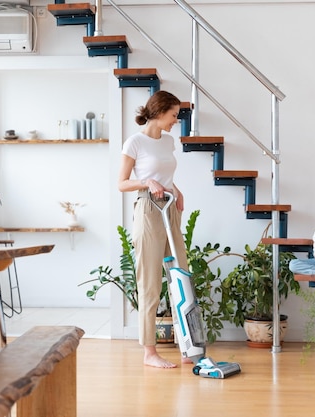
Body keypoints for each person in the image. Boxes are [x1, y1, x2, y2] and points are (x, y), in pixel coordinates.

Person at [117, 90, 188, 369]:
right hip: (147, 210)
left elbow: (166, 176)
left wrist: (177, 190)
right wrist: (146, 182)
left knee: (180, 276)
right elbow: (122, 183)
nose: (175, 121)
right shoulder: (134, 142)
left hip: (170, 207)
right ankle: (150, 353)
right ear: (159, 113)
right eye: (173, 115)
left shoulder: (168, 141)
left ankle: (187, 344)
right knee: (150, 283)